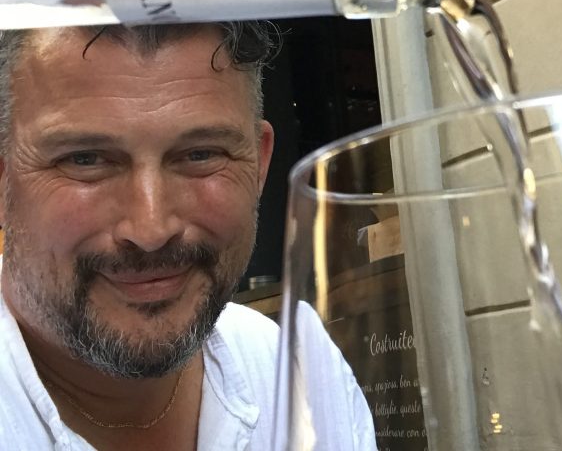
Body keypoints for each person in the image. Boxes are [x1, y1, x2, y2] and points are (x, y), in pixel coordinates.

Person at [0, 23, 376, 450]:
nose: (151, 230)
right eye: (85, 160)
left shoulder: (297, 375)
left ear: (258, 164)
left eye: (201, 154)